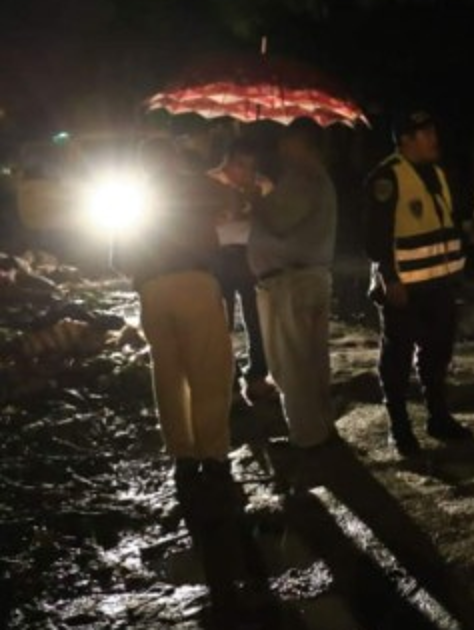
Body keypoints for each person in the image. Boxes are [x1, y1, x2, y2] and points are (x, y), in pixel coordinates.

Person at [110, 137, 244, 619]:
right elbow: (232, 204)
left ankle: (183, 456)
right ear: (175, 159)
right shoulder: (195, 186)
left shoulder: (133, 198)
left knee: (167, 375)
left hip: (152, 292)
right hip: (193, 282)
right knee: (209, 372)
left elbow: (117, 259)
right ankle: (213, 455)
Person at [363, 109, 472, 457]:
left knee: (437, 354)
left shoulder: (436, 173)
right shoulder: (387, 177)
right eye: (426, 133)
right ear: (406, 140)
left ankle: (438, 417)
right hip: (404, 288)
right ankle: (399, 428)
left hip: (439, 284)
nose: (434, 138)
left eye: (433, 131)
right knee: (397, 358)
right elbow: (374, 237)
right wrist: (389, 278)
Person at [248, 121, 338, 451]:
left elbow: (277, 219)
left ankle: (308, 435)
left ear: (304, 144)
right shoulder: (316, 177)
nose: (282, 148)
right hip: (307, 276)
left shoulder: (302, 177)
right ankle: (321, 427)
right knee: (312, 360)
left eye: (288, 142)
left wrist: (255, 199)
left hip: (290, 281)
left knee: (292, 363)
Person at [208, 139, 276, 404]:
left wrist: (255, 203)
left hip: (250, 254)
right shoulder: (208, 182)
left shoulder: (262, 184)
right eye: (240, 165)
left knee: (256, 316)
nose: (245, 171)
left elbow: (273, 219)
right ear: (227, 161)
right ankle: (230, 378)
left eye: (250, 166)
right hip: (218, 255)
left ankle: (257, 375)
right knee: (220, 321)